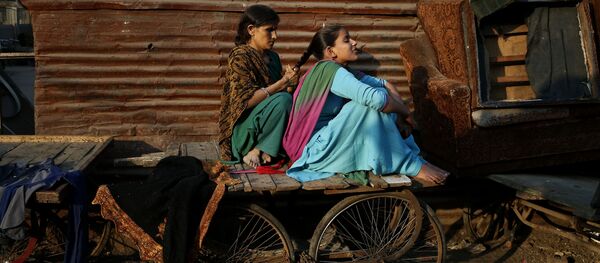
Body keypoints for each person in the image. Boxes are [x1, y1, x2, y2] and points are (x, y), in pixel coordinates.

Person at [282, 24, 448, 184]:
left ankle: (413, 159)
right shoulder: (331, 70)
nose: (354, 42)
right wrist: (405, 112)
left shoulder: (342, 71)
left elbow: (384, 85)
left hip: (325, 144)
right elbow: (376, 99)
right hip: (313, 152)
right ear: (331, 51)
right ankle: (411, 165)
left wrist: (399, 117)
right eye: (346, 40)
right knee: (370, 104)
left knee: (381, 98)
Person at [218, 5, 297, 168]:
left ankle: (259, 150)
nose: (275, 36)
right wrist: (282, 83)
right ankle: (258, 148)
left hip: (264, 125)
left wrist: (291, 85)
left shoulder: (273, 58)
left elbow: (279, 99)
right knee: (283, 100)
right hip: (244, 131)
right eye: (269, 30)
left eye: (276, 30)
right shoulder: (240, 56)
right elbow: (244, 102)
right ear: (251, 30)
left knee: (290, 99)